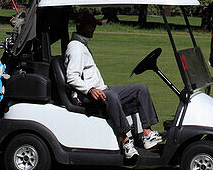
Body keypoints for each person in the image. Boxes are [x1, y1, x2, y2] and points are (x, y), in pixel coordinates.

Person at [64, 11, 163, 159]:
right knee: (111, 96)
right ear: (81, 26)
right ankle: (125, 141)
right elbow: (71, 77)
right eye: (91, 25)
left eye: (94, 25)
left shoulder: (81, 44)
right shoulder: (76, 47)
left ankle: (147, 133)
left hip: (100, 91)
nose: (94, 28)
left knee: (140, 89)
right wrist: (90, 89)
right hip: (86, 95)